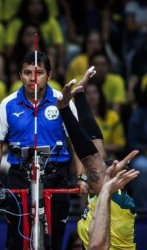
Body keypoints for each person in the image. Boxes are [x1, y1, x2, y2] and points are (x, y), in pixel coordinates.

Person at [0, 51, 86, 250]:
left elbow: (75, 141)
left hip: (55, 175)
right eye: (27, 73)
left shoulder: (62, 100)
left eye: (39, 72)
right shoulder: (7, 104)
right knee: (15, 241)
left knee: (54, 241)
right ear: (19, 75)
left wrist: (82, 177)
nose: (32, 78)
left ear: (49, 75)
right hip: (19, 176)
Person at [57, 67, 139, 249]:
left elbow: (91, 159)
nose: (105, 165)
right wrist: (78, 97)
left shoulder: (114, 198)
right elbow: (96, 148)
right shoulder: (107, 196)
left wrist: (65, 110)